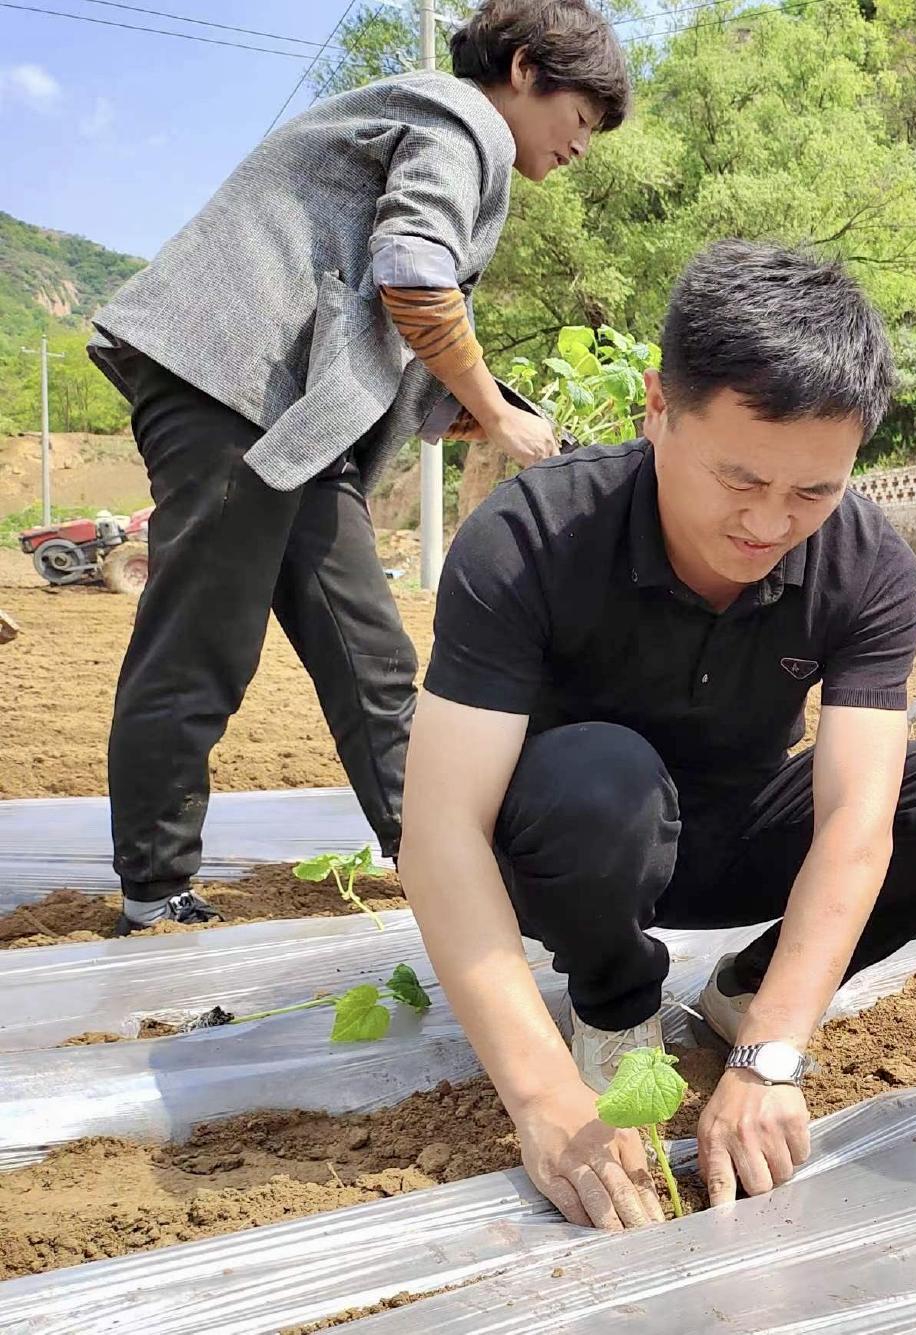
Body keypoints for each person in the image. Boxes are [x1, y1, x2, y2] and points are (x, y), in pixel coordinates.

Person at [398, 241, 916, 1233]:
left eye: (812, 492)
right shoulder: (531, 538)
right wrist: (539, 1097)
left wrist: (772, 1050)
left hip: (732, 832)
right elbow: (437, 830)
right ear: (659, 408)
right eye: (739, 479)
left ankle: (743, 991)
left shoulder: (863, 567)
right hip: (574, 849)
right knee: (599, 780)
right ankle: (611, 1007)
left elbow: (855, 827)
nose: (770, 522)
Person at [87, 0, 629, 935]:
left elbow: (396, 332)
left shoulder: (447, 132)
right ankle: (155, 888)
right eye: (581, 119)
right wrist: (497, 414)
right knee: (202, 640)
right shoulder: (460, 120)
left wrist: (483, 406)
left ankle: (439, 855)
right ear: (528, 71)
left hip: (298, 418)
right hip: (230, 383)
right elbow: (412, 275)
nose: (581, 147)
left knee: (373, 657)